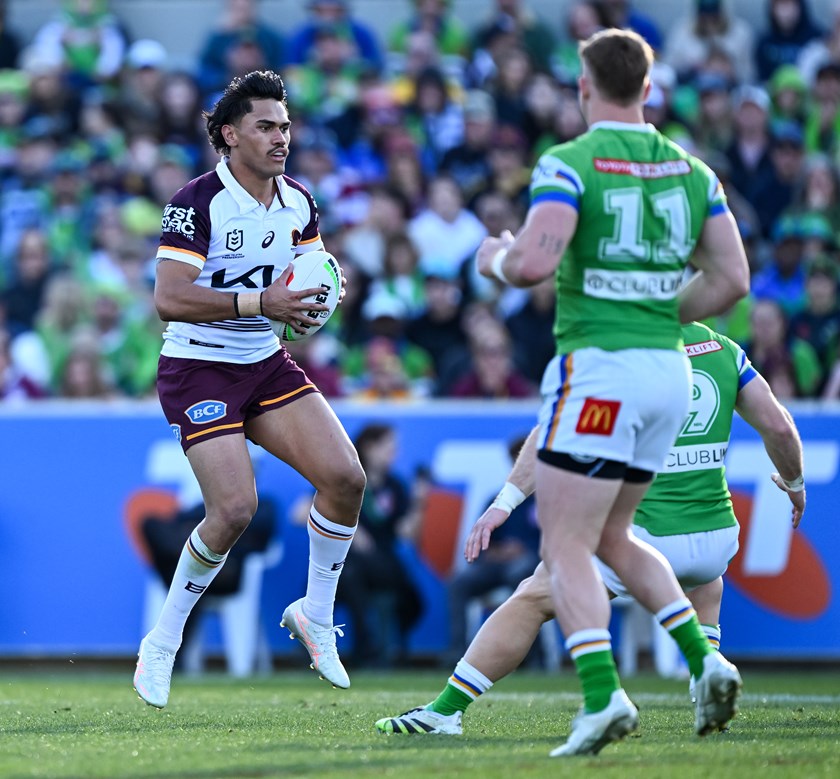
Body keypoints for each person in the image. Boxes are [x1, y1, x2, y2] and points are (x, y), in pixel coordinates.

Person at [472, 29, 751, 757]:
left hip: (600, 369)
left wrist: (493, 257)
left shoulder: (569, 162)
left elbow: (535, 263)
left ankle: (603, 696)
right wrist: (659, 312)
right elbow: (732, 281)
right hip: (669, 372)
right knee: (616, 535)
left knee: (563, 542)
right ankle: (706, 658)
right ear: (649, 89)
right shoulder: (693, 172)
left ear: (583, 88)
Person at [375, 321, 806, 738]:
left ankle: (446, 712)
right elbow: (780, 428)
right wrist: (795, 483)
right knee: (705, 581)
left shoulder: (622, 350)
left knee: (532, 597)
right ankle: (708, 671)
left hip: (647, 536)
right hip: (716, 536)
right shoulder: (724, 351)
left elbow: (556, 431)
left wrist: (504, 503)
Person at [132, 70, 366, 710]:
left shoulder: (298, 202)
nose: (280, 138)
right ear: (230, 135)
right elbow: (168, 298)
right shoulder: (197, 200)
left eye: (286, 126)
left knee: (346, 479)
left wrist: (309, 308)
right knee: (234, 509)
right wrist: (264, 300)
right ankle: (163, 641)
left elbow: (311, 276)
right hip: (198, 369)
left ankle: (315, 613)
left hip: (264, 360)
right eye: (266, 126)